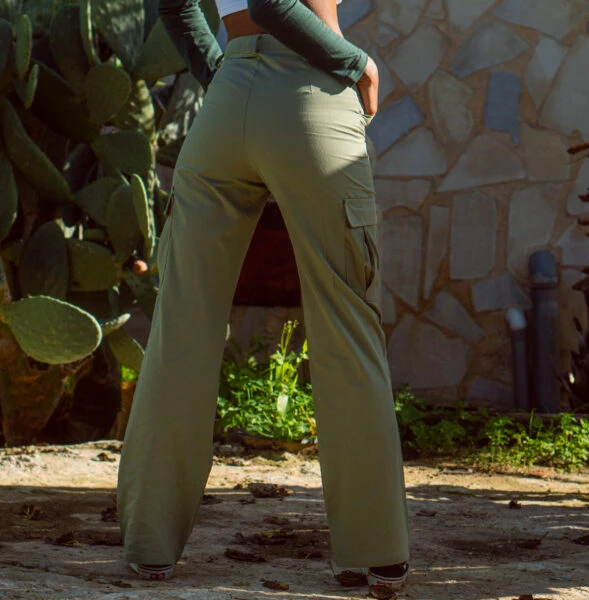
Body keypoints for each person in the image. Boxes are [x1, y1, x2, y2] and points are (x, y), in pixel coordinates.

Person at [117, 0, 410, 589]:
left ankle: (150, 543)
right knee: (346, 322)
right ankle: (373, 551)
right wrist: (357, 64)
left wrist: (220, 69)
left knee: (181, 325)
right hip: (309, 91)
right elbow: (273, 3)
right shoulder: (337, 64)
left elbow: (174, 4)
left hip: (226, 102)